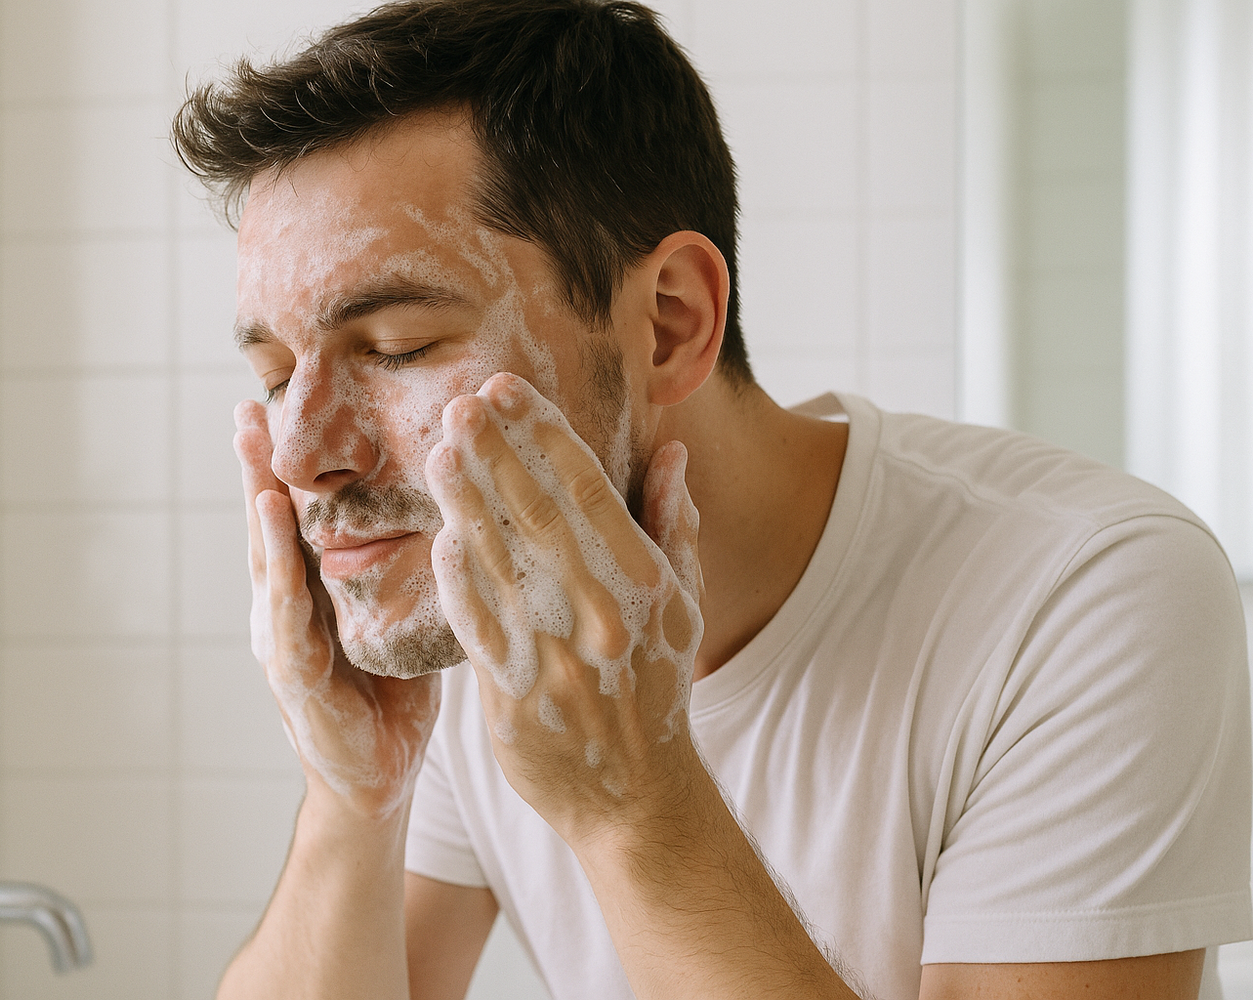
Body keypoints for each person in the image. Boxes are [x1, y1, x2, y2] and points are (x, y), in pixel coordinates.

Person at [171, 1, 1252, 997]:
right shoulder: (480, 599)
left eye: (398, 346)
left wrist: (634, 799)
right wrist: (352, 797)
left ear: (671, 322)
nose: (305, 452)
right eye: (273, 374)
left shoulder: (1088, 595)